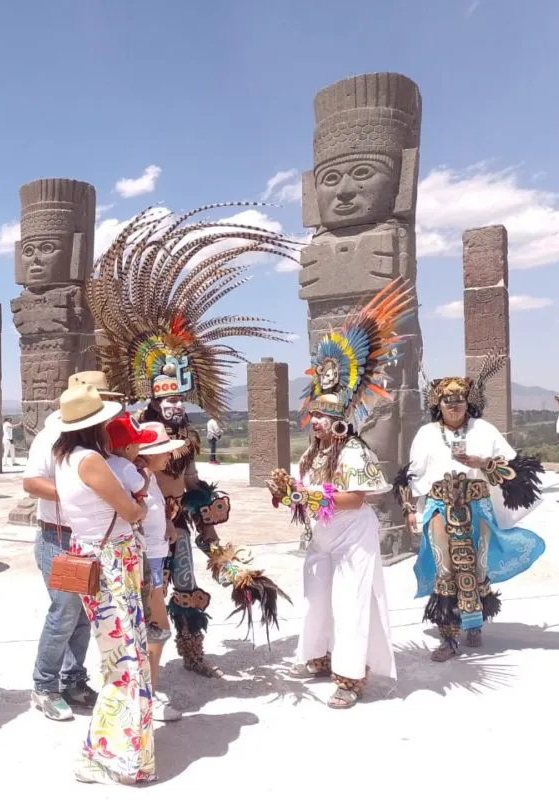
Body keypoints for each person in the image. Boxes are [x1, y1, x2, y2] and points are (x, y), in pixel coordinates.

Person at [87, 202, 295, 678]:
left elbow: (191, 477)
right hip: (144, 525)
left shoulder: (186, 431)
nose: (176, 399)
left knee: (185, 583)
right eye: (167, 391)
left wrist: (208, 527)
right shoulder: (135, 428)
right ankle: (138, 663)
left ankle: (191, 651)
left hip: (178, 520)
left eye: (182, 391)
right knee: (148, 590)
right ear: (151, 390)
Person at [270, 280, 411, 708]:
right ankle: (316, 656)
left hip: (353, 537)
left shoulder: (353, 451)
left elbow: (356, 498)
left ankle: (350, 677)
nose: (314, 422)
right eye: (313, 414)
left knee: (350, 604)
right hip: (323, 537)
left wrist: (308, 499)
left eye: (322, 417)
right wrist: (287, 492)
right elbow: (306, 494)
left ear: (339, 421)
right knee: (316, 599)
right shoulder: (313, 453)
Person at [394, 359, 547, 661]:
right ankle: (448, 637)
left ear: (469, 402)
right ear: (438, 404)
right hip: (439, 507)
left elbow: (514, 469)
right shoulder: (426, 433)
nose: (454, 406)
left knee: (477, 569)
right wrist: (410, 509)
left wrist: (483, 463)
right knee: (445, 570)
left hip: (478, 507)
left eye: (460, 400)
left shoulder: (484, 429)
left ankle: (474, 622)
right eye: (447, 401)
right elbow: (410, 474)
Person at [51, 383, 153, 785]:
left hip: (92, 555)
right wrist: (142, 502)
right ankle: (106, 753)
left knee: (118, 655)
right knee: (126, 659)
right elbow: (131, 511)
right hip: (113, 560)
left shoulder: (64, 458)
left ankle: (117, 749)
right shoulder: (91, 460)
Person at [23, 371, 118, 721]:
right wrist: (79, 495)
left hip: (89, 538)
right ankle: (44, 685)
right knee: (64, 612)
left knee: (82, 614)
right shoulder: (50, 436)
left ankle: (73, 679)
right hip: (58, 536)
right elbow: (31, 482)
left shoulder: (101, 438)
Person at [133, 421, 186, 721]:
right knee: (156, 628)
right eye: (164, 451)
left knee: (154, 629)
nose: (169, 456)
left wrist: (165, 522)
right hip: (145, 561)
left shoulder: (149, 477)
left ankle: (149, 691)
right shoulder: (138, 477)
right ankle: (147, 697)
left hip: (154, 558)